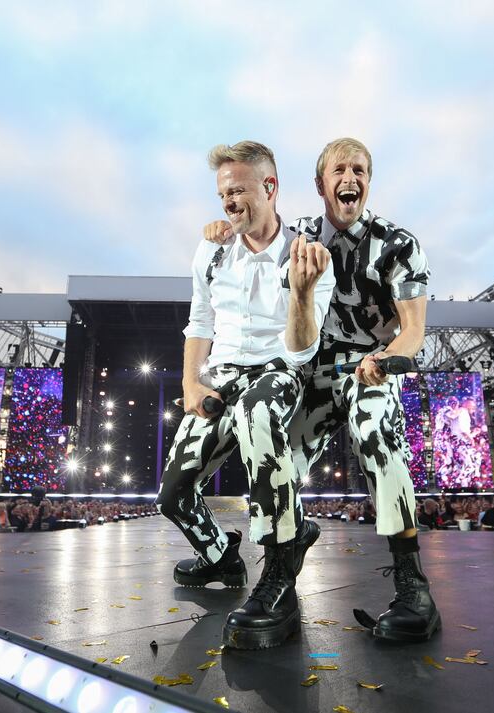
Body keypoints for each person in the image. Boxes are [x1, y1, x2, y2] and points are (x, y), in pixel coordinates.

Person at [202, 137, 438, 642]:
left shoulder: (399, 244)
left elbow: (414, 330)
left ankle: (412, 581)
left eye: (359, 169)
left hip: (367, 367)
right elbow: (254, 230)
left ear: (368, 181)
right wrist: (225, 228)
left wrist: (387, 357)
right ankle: (280, 575)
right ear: (320, 184)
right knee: (271, 452)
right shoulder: (299, 236)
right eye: (339, 170)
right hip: (311, 370)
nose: (349, 177)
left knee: (378, 435)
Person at [157, 141, 334, 650]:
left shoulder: (309, 254)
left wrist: (301, 292)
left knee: (258, 412)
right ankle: (220, 557)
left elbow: (303, 351)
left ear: (270, 188)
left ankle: (278, 577)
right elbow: (199, 321)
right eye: (222, 193)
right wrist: (192, 382)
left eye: (238, 190)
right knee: (171, 495)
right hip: (220, 375)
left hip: (279, 370)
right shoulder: (211, 249)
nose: (228, 202)